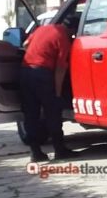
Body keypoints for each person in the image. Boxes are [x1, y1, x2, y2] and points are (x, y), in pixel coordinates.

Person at [20, 16, 80, 162]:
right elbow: (60, 69)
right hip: (43, 75)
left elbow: (26, 44)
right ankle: (60, 150)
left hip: (25, 71)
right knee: (52, 112)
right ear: (72, 30)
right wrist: (58, 94)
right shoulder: (63, 39)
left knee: (31, 114)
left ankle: (35, 153)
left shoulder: (42, 29)